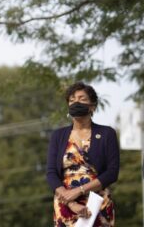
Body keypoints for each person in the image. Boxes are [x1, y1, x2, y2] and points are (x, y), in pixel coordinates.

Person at [46, 82, 119, 226]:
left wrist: (79, 190)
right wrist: (71, 202)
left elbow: (112, 172)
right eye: (72, 100)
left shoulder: (107, 133)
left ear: (92, 106)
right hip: (65, 204)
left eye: (82, 99)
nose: (76, 103)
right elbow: (51, 173)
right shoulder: (58, 136)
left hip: (98, 203)